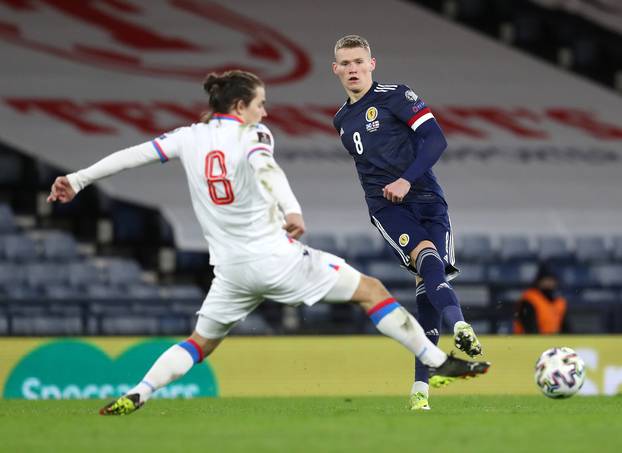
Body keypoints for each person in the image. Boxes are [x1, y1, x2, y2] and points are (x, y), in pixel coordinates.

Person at [48, 70, 489, 416]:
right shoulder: (252, 134)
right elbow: (266, 170)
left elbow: (132, 155)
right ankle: (434, 360)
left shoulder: (187, 138)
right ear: (240, 106)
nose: (265, 112)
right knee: (371, 291)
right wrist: (292, 209)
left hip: (230, 272)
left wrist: (78, 179)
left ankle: (140, 392)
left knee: (200, 343)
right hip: (276, 258)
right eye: (260, 104)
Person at [331, 35, 483, 411]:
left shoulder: (396, 95)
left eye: (358, 62)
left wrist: (408, 178)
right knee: (426, 255)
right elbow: (369, 170)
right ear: (336, 69)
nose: (352, 69)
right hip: (387, 207)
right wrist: (392, 189)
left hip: (428, 197)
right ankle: (460, 325)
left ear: (372, 64)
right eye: (345, 63)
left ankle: (420, 389)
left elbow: (435, 139)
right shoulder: (341, 119)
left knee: (427, 278)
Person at [514, 264, 569, 334]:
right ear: (539, 281)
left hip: (552, 341)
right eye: (546, 280)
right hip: (530, 342)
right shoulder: (530, 299)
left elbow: (565, 327)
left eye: (552, 280)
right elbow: (529, 326)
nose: (549, 283)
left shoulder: (560, 302)